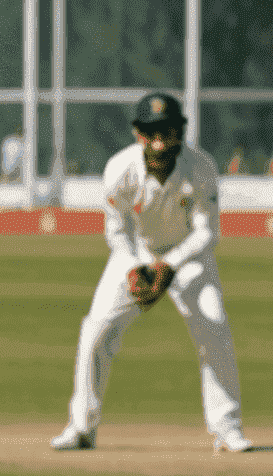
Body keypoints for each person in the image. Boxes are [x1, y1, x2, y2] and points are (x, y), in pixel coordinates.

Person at [51, 93, 249, 453]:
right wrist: (133, 269)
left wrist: (169, 265)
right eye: (152, 132)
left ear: (181, 132)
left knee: (214, 327)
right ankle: (81, 427)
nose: (161, 141)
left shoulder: (200, 167)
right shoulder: (119, 170)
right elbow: (116, 231)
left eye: (168, 132)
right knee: (96, 330)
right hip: (138, 253)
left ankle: (227, 428)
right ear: (138, 133)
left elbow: (207, 232)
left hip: (189, 258)